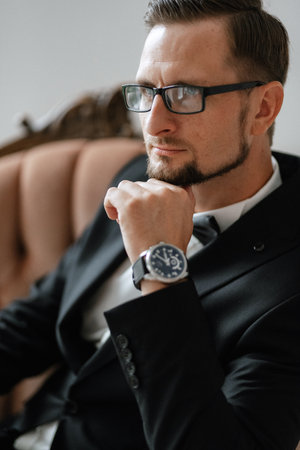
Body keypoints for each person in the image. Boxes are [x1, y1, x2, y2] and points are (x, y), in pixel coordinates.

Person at [0, 0, 299, 448]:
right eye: (145, 93)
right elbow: (38, 319)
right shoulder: (138, 174)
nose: (153, 125)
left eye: (184, 95)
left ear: (263, 107)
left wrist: (159, 266)